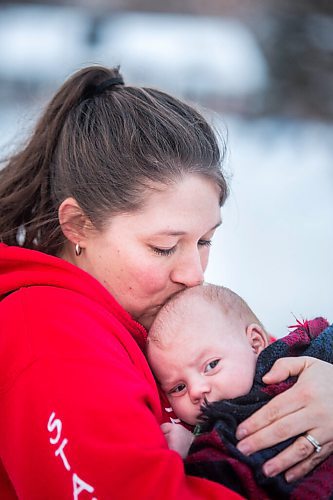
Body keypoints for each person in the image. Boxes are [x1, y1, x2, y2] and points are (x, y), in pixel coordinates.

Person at [0, 65, 332, 499]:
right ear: (78, 224)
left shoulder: (159, 307)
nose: (194, 273)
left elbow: (274, 361)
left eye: (205, 240)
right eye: (163, 246)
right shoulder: (49, 336)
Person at [147, 284, 333, 498]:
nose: (196, 391)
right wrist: (192, 448)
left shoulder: (300, 359)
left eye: (211, 365)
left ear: (254, 344)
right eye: (179, 387)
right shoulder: (211, 432)